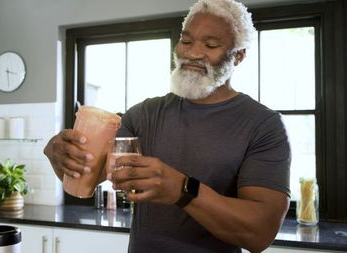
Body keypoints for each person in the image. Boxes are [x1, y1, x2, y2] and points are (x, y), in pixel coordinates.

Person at [43, 0, 291, 252]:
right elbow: (88, 178)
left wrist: (182, 190)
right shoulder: (143, 114)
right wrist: (60, 156)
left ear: (238, 55)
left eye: (211, 45)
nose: (193, 53)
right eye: (186, 41)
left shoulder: (263, 125)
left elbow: (260, 233)